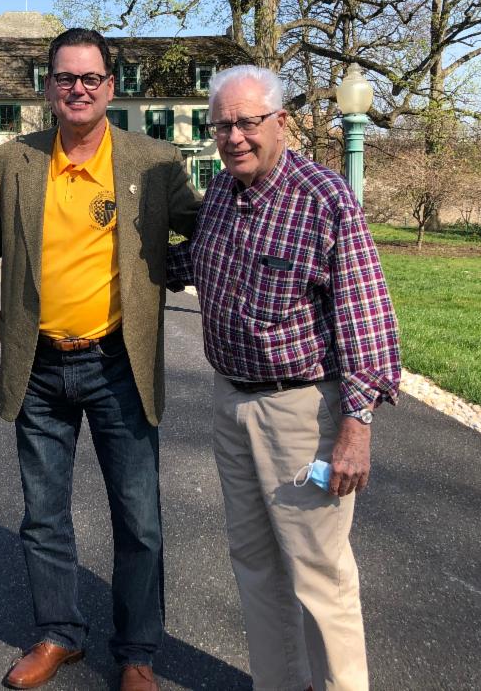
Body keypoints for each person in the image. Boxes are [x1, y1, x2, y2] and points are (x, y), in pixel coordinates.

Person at [0, 28, 201, 691]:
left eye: (90, 78)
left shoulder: (154, 162)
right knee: (43, 515)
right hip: (39, 368)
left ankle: (136, 652)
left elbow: (211, 230)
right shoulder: (13, 162)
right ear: (48, 87)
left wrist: (167, 274)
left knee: (139, 520)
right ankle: (59, 635)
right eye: (66, 78)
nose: (78, 88)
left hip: (118, 365)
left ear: (110, 86)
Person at [168, 64, 401, 691]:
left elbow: (367, 317)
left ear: (282, 122)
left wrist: (356, 427)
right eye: (222, 125)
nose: (234, 137)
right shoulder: (222, 193)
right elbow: (194, 263)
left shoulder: (324, 199)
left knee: (319, 573)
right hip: (231, 402)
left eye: (247, 122)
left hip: (300, 412)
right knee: (254, 564)